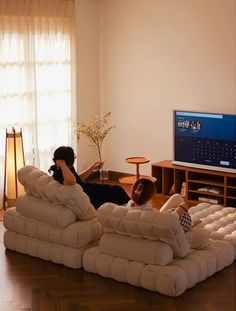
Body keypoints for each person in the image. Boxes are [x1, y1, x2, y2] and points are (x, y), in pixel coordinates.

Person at [48, 146, 130, 209]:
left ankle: (130, 204)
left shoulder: (68, 168)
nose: (75, 158)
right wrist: (62, 164)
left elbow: (77, 179)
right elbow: (72, 181)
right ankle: (130, 206)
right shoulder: (59, 173)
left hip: (87, 188)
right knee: (117, 191)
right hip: (88, 195)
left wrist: (92, 168)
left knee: (117, 189)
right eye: (73, 156)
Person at [127, 178, 199, 233]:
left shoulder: (129, 205)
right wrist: (180, 209)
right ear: (151, 195)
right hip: (163, 223)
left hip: (157, 217)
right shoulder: (151, 214)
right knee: (179, 201)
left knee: (177, 197)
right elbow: (169, 221)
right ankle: (191, 223)